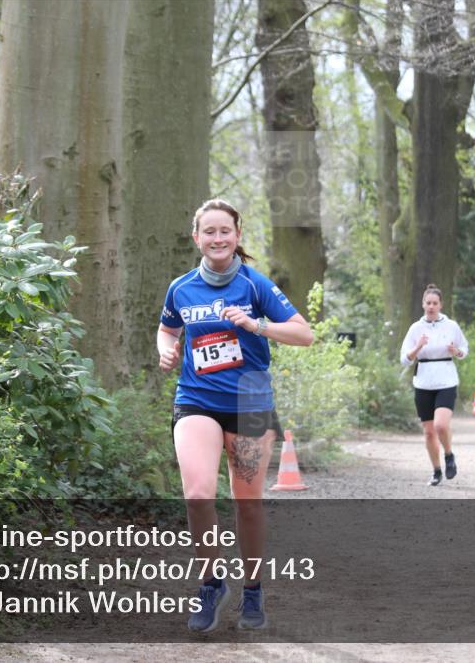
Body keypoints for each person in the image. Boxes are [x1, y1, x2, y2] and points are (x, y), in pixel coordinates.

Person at [157, 199, 314, 631]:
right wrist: (165, 352)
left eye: (225, 231)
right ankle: (210, 584)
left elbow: (305, 334)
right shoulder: (181, 288)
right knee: (197, 493)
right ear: (197, 238)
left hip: (250, 400)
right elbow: (168, 327)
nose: (218, 238)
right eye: (209, 231)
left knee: (247, 503)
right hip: (197, 398)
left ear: (237, 235)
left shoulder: (255, 284)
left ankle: (253, 590)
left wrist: (255, 325)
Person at [400, 284, 469, 486]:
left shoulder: (451, 326)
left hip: (446, 379)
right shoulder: (415, 328)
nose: (431, 306)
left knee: (441, 425)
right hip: (423, 381)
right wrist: (418, 347)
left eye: (435, 303)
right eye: (428, 303)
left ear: (440, 305)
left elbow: (464, 350)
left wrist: (456, 351)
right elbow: (404, 359)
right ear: (423, 304)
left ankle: (448, 454)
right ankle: (436, 470)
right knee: (429, 431)